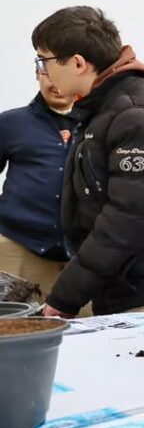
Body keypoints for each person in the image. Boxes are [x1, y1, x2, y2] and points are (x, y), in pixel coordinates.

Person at [35, 7, 144, 318]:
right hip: (130, 294)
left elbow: (127, 221)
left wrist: (64, 297)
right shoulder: (104, 110)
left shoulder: (137, 114)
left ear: (77, 63)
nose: (41, 72)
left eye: (43, 61)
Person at [0, 68, 78, 300]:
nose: (56, 85)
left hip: (82, 259)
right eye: (48, 76)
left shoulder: (99, 123)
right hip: (18, 247)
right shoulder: (10, 123)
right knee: (14, 328)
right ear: (37, 74)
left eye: (62, 77)